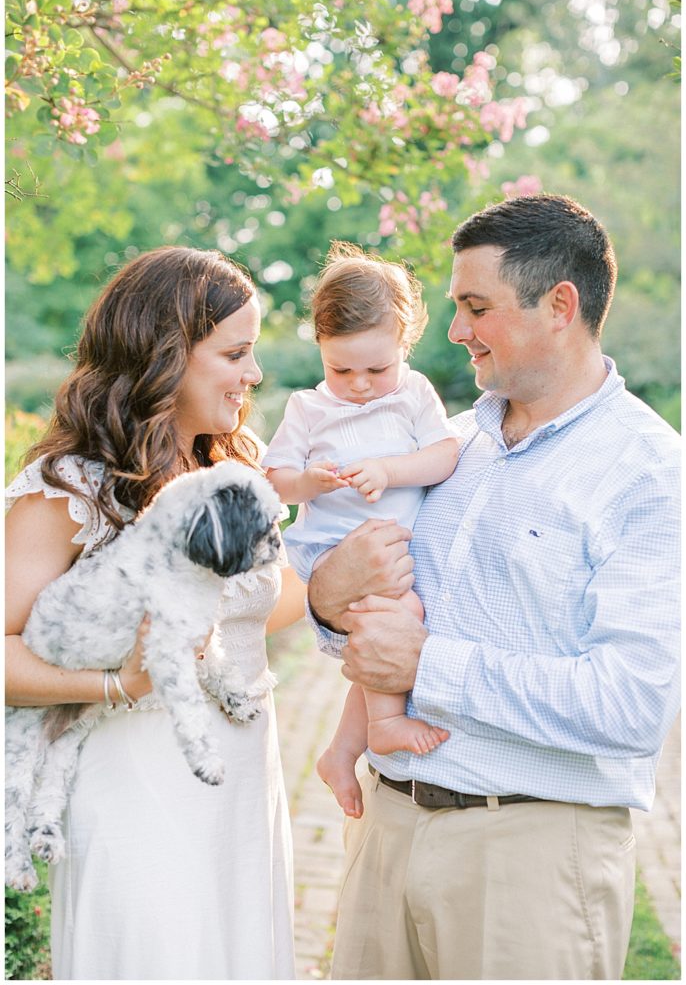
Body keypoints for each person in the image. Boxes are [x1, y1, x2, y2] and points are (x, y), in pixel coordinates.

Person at [307, 195, 681, 980]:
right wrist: (323, 601)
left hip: (531, 857)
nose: (453, 331)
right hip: (387, 829)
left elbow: (631, 706)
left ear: (560, 305)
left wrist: (429, 666)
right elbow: (371, 627)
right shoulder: (449, 441)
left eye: (476, 307)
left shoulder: (647, 471)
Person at [5, 246, 307, 980]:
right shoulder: (69, 488)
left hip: (244, 784)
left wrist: (347, 581)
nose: (255, 375)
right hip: (135, 786)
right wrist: (120, 684)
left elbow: (260, 607)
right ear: (164, 355)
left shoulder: (233, 470)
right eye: (235, 353)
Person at [263, 243, 459, 817]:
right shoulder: (308, 408)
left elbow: (444, 456)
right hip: (333, 552)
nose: (360, 385)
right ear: (319, 347)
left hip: (395, 554)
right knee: (397, 623)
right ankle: (386, 725)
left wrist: (387, 470)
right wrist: (312, 483)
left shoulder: (414, 395)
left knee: (385, 638)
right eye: (340, 369)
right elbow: (275, 481)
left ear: (405, 343)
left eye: (378, 368)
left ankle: (342, 751)